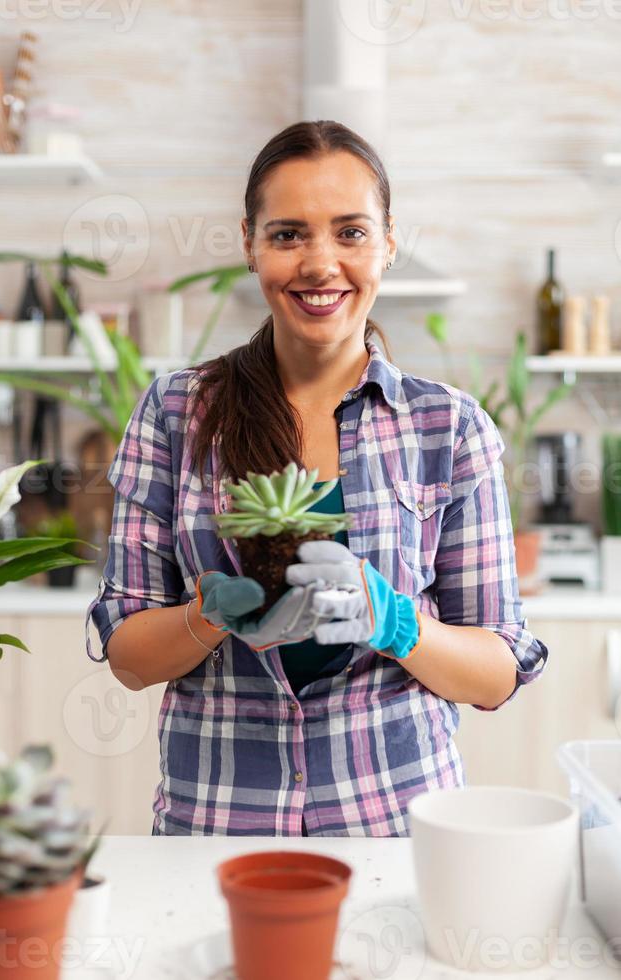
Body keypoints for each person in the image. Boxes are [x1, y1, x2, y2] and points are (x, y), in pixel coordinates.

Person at [85, 120, 548, 837]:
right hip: (217, 826)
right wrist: (206, 617)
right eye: (289, 234)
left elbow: (496, 670)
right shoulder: (176, 413)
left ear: (389, 243)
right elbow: (128, 658)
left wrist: (393, 622)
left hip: (397, 831)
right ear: (250, 244)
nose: (320, 263)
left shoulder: (448, 429)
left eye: (351, 233)